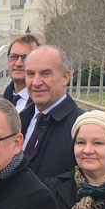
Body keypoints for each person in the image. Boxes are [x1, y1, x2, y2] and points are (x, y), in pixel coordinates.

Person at [21, 45, 84, 181]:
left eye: (45, 73)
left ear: (65, 77)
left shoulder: (81, 127)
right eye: (30, 74)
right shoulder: (17, 120)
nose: (36, 82)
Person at [2, 32, 43, 112]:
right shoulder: (2, 101)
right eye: (13, 57)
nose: (18, 63)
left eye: (25, 58)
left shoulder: (43, 106)